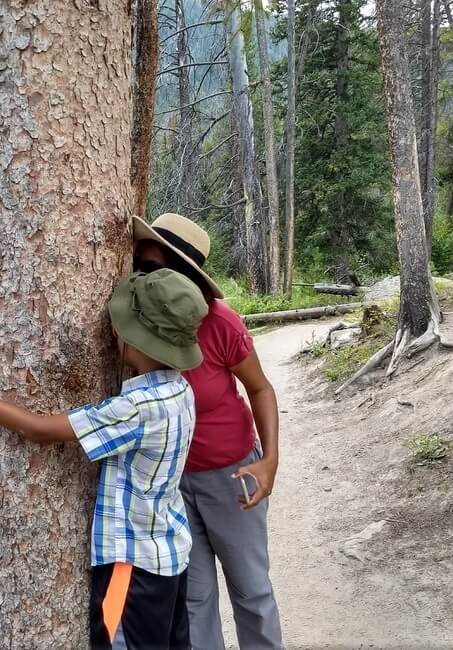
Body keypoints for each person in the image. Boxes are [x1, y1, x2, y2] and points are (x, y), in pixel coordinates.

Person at [0, 268, 209, 650]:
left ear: (138, 341)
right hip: (169, 556)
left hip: (130, 566)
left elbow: (39, 430)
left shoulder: (135, 408)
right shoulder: (179, 392)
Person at [133, 213, 284, 650]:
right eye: (140, 266)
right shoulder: (136, 323)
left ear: (183, 274)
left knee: (251, 591)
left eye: (155, 269)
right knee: (194, 599)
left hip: (232, 476)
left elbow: (259, 387)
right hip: (172, 484)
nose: (143, 277)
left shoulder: (220, 322)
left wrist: (269, 460)